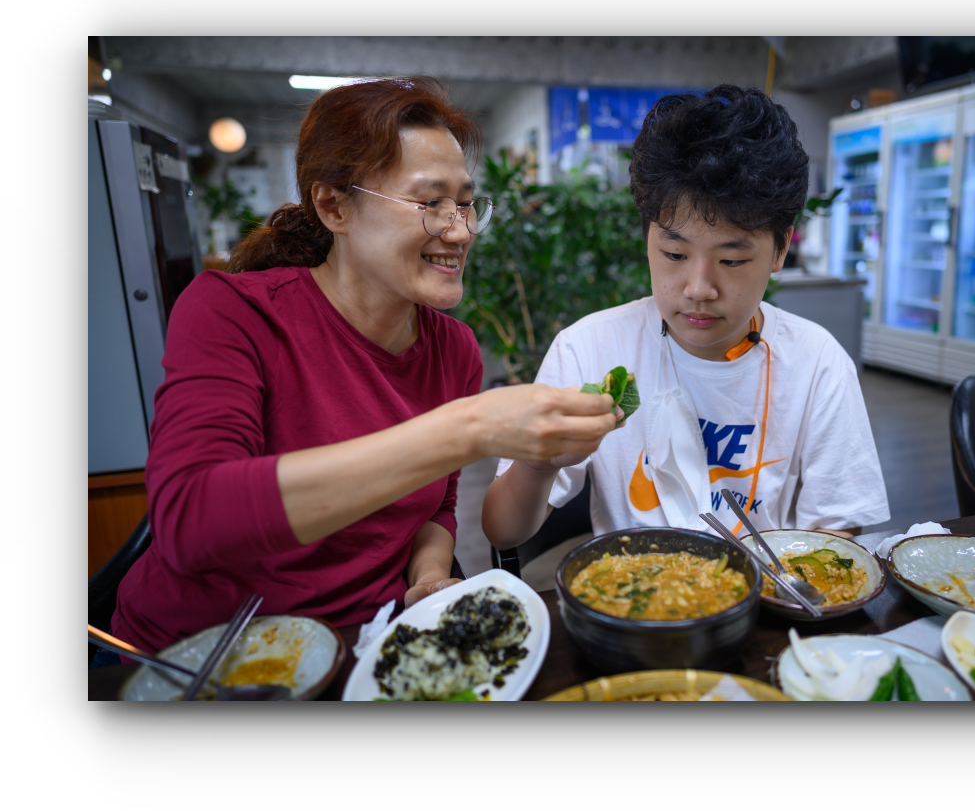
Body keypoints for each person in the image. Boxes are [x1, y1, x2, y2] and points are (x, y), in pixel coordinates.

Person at [112, 78, 619, 655]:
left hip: (363, 646)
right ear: (334, 206)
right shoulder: (233, 311)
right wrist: (467, 428)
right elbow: (190, 519)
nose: (460, 230)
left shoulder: (453, 349)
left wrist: (429, 575)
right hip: (200, 658)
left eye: (464, 203)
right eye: (429, 203)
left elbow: (434, 507)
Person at [483, 85, 888, 550]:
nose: (698, 288)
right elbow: (503, 532)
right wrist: (537, 465)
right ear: (647, 240)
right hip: (632, 587)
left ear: (781, 249)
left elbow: (838, 528)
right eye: (675, 254)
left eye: (731, 260)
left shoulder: (816, 362)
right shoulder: (589, 348)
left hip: (760, 588)